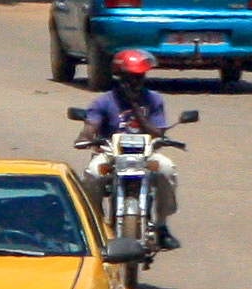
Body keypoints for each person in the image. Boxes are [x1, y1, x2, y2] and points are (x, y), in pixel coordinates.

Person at [74, 47, 181, 247]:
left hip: (146, 154)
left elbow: (158, 133)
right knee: (92, 175)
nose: (135, 82)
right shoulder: (103, 101)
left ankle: (161, 226)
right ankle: (94, 226)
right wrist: (84, 138)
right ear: (119, 77)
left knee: (166, 169)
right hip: (110, 154)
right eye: (130, 78)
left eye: (139, 77)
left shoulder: (153, 100)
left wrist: (136, 109)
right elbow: (90, 126)